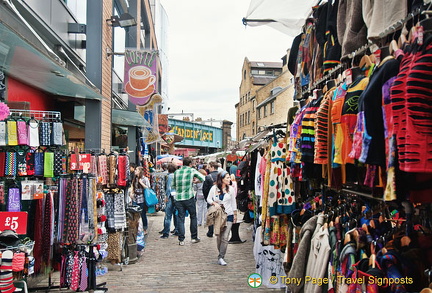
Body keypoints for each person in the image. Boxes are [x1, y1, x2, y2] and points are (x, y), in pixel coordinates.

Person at [172, 157, 206, 246]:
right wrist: (195, 181)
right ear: (190, 164)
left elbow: (173, 185)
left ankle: (181, 239)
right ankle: (194, 237)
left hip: (179, 198)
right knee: (193, 216)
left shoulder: (177, 172)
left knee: (180, 218)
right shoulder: (192, 170)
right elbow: (203, 178)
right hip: (189, 197)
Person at [207, 171, 237, 266]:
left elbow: (233, 202)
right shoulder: (214, 188)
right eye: (227, 178)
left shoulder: (231, 189)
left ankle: (221, 256)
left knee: (225, 237)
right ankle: (220, 252)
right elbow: (208, 198)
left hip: (229, 214)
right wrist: (214, 203)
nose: (229, 179)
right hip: (218, 215)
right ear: (222, 179)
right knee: (219, 236)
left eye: (229, 177)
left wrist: (235, 215)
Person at [159, 163, 179, 239]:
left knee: (168, 215)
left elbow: (168, 188)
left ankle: (166, 233)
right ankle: (177, 230)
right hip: (177, 197)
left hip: (171, 197)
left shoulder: (170, 176)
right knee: (176, 214)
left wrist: (166, 197)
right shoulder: (177, 175)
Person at [130, 166, 151, 235]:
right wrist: (132, 193)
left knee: (143, 214)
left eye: (136, 170)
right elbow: (133, 186)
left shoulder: (144, 179)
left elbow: (148, 187)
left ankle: (145, 229)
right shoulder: (135, 178)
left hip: (142, 198)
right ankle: (136, 228)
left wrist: (141, 183)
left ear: (140, 171)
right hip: (135, 198)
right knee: (135, 214)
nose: (135, 171)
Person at [202, 161, 219, 237]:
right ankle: (218, 230)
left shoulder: (208, 177)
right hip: (220, 198)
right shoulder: (221, 175)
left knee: (211, 215)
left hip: (211, 199)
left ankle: (210, 232)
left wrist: (207, 199)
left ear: (212, 167)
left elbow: (204, 189)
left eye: (209, 167)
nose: (208, 168)